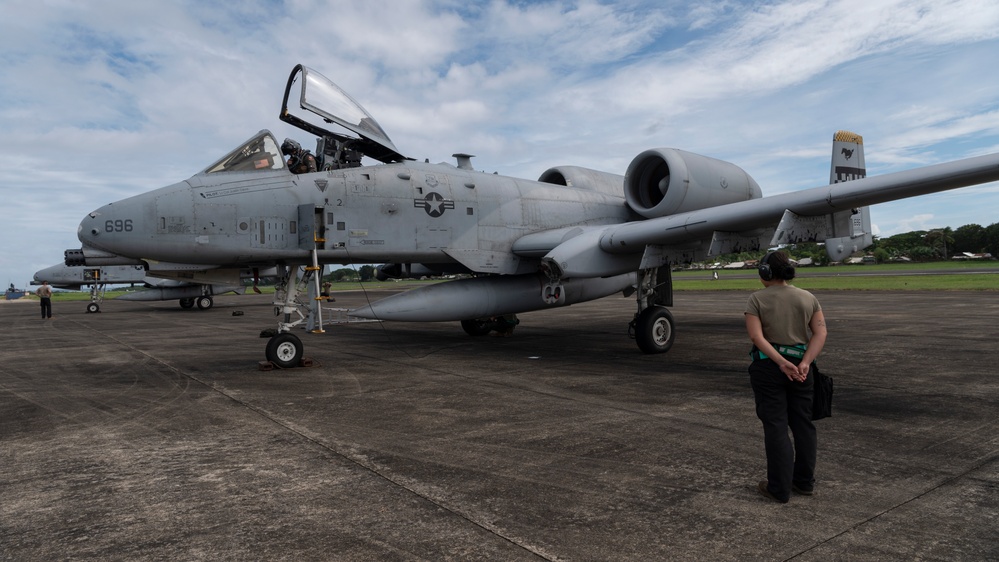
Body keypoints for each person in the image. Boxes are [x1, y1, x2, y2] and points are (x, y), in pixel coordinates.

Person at [744, 250, 827, 503]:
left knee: (776, 425)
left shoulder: (756, 299)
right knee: (803, 424)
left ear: (765, 273)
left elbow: (757, 338)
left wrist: (780, 362)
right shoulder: (808, 297)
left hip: (770, 368)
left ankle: (779, 488)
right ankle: (804, 482)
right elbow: (820, 334)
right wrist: (804, 363)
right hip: (802, 369)